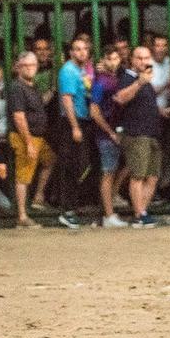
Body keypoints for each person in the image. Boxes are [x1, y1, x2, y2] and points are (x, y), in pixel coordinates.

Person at [112, 46, 165, 229]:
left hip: (152, 133)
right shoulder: (128, 77)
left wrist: (161, 112)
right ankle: (139, 214)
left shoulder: (146, 79)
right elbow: (119, 98)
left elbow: (146, 102)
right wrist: (140, 83)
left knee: (152, 176)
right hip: (136, 134)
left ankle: (142, 212)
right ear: (132, 60)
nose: (144, 61)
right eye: (140, 58)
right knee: (138, 176)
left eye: (146, 57)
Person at [6, 52, 55, 228]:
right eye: (26, 65)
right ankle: (22, 216)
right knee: (23, 177)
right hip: (26, 137)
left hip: (37, 137)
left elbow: (37, 105)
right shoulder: (17, 87)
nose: (31, 68)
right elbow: (19, 117)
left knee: (50, 160)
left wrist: (51, 91)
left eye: (33, 65)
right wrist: (28, 143)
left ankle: (38, 197)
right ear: (18, 67)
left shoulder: (31, 86)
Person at [55, 39, 93, 229]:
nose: (82, 53)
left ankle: (73, 207)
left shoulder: (83, 70)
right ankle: (67, 210)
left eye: (85, 49)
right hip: (72, 122)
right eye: (77, 49)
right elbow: (67, 100)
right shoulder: (69, 71)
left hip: (82, 120)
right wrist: (75, 126)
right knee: (71, 166)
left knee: (81, 165)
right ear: (71, 52)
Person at [89, 49, 129, 228]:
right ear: (103, 60)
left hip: (118, 132)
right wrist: (110, 132)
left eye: (115, 58)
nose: (113, 62)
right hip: (106, 135)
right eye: (109, 58)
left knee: (126, 165)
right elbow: (94, 110)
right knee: (108, 172)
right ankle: (108, 214)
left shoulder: (116, 78)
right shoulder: (100, 82)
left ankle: (112, 201)